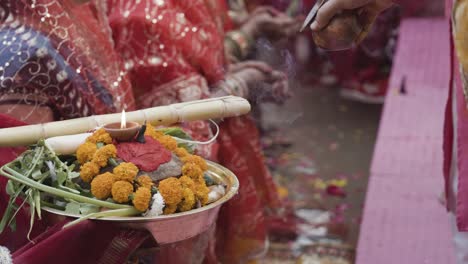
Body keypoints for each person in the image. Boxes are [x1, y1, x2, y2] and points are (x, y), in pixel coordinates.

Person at [105, 1, 300, 262]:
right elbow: (178, 130)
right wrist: (242, 83)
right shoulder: (142, 19)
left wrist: (244, 41)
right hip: (158, 190)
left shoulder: (188, 5)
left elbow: (202, 60)